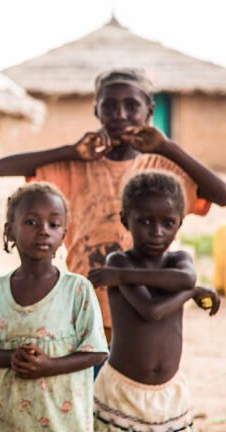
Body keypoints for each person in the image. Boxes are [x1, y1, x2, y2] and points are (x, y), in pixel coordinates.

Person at [0, 68, 226, 342]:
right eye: (110, 106)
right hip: (86, 305)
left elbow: (222, 195)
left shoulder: (164, 167)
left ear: (148, 110)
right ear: (96, 111)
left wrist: (166, 148)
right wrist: (72, 151)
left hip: (148, 303)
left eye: (131, 105)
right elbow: (2, 167)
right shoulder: (73, 165)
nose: (120, 114)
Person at [0, 182, 108, 430]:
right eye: (31, 222)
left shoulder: (77, 290)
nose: (44, 231)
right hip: (8, 417)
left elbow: (96, 351)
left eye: (53, 224)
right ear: (10, 231)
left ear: (64, 235)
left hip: (62, 420)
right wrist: (11, 358)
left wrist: (49, 366)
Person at [87, 171, 220, 431]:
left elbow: (185, 279)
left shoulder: (178, 261)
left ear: (180, 223)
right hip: (122, 393)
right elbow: (150, 311)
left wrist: (124, 278)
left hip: (169, 395)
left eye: (167, 223)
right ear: (126, 220)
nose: (157, 232)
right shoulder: (119, 262)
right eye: (145, 221)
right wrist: (192, 293)